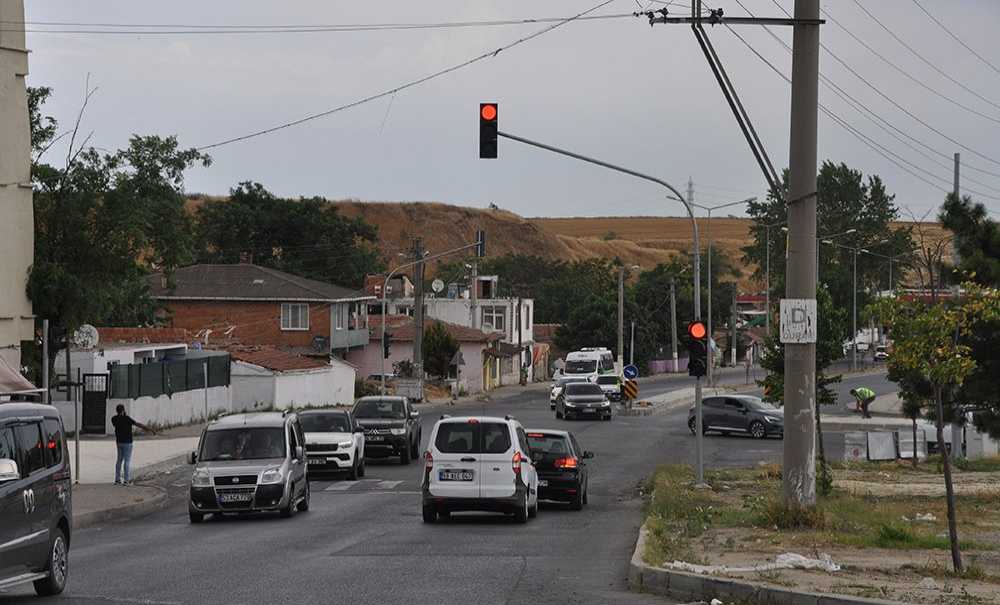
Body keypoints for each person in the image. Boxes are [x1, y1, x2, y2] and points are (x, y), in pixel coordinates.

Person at [111, 405, 156, 486]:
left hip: (119, 442)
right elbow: (138, 424)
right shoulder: (127, 418)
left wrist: (123, 415)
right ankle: (126, 480)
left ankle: (117, 480)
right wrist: (150, 429)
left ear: (116, 410)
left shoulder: (114, 419)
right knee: (127, 461)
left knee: (119, 460)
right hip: (128, 442)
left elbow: (117, 423)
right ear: (123, 410)